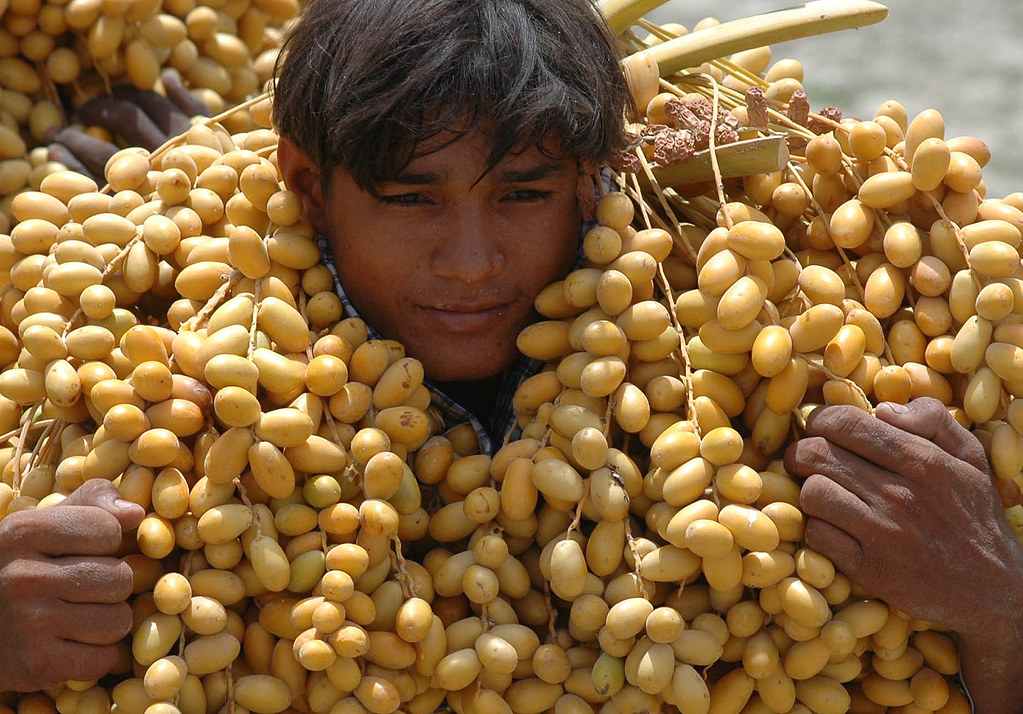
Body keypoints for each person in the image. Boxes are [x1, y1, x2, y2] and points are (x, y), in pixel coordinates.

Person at [0, 1, 1020, 711]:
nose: (472, 262)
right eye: (412, 200)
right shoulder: (145, 394)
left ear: (598, 177)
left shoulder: (778, 373)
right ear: (308, 188)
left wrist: (994, 606)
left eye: (523, 195)